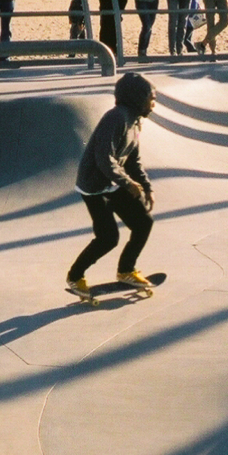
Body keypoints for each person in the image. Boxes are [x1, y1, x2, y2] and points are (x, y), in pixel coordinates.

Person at [65, 72, 156, 300]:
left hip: (112, 183)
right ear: (137, 98)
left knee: (143, 223)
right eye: (150, 99)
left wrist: (145, 187)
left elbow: (133, 160)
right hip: (94, 185)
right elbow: (103, 158)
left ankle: (126, 270)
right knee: (108, 238)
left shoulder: (134, 121)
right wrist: (127, 183)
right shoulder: (116, 118)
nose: (153, 105)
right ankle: (75, 276)